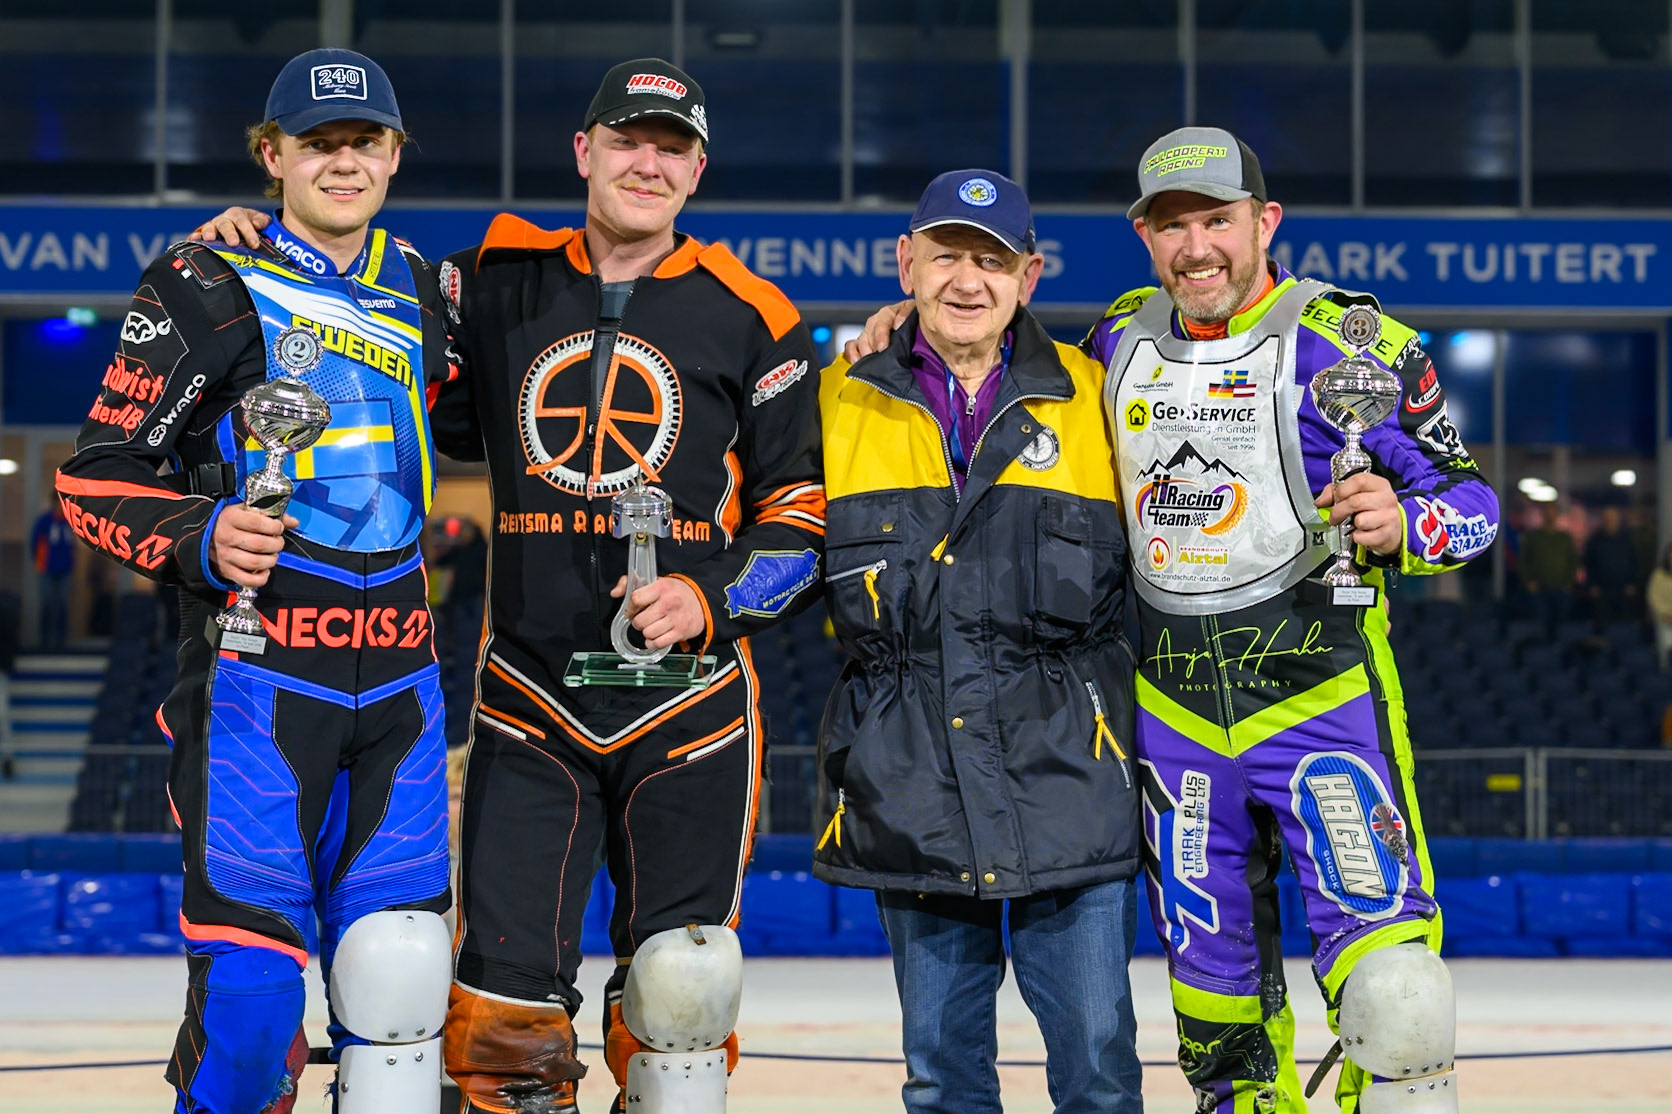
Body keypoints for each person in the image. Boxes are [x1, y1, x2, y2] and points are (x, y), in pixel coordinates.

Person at [197, 57, 827, 1114]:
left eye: (672, 149)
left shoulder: (756, 315)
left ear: (699, 169)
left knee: (686, 994)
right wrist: (255, 248)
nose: (647, 164)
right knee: (500, 1027)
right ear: (582, 152)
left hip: (692, 712)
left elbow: (803, 526)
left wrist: (707, 598)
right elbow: (346, 284)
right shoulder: (482, 279)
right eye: (626, 141)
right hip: (529, 702)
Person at [848, 127, 1498, 1114]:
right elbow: (994, 355)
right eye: (1171, 226)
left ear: (1263, 222)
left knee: (1398, 999)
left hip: (1318, 699)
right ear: (1143, 238)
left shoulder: (1352, 342)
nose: (1196, 248)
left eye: (1216, 221)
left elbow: (1475, 504)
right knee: (1218, 1027)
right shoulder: (1113, 342)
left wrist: (1408, 519)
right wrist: (902, 328)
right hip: (1169, 721)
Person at [59, 48, 462, 1114]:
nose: (343, 161)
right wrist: (202, 532)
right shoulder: (201, 281)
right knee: (247, 1006)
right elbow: (89, 478)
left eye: (364, 141)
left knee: (402, 981)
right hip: (253, 692)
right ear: (272, 155)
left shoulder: (429, 289)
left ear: (392, 155)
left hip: (402, 697)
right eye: (317, 143)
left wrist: (886, 329)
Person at [816, 170, 1143, 1113]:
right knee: (942, 1076)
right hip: (910, 784)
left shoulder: (1100, 396)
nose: (968, 279)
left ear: (1029, 275)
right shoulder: (835, 401)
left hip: (1070, 782)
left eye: (992, 259)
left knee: (1097, 1066)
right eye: (947, 254)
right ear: (905, 262)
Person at [1518, 502, 1578, 629]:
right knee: (1539, 624)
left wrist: (1569, 582)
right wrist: (1528, 581)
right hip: (1538, 590)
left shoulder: (1565, 538)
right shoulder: (1532, 537)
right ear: (1542, 514)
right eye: (1547, 512)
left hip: (1561, 589)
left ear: (1557, 515)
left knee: (1562, 624)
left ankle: (1559, 647)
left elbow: (1573, 561)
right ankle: (1542, 648)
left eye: (1553, 512)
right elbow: (1523, 561)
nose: (1550, 515)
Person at [29, 502, 75, 649]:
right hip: (47, 568)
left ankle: (61, 640)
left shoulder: (69, 521)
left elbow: (72, 546)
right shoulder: (45, 521)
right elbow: (35, 543)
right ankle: (45, 640)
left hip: (65, 568)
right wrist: (40, 562)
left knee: (62, 604)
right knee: (47, 603)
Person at [1584, 505, 1639, 624]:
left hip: (1624, 589)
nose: (1610, 520)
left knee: (1624, 623)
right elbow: (1589, 564)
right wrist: (1592, 585)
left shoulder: (1627, 539)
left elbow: (1634, 562)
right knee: (1602, 622)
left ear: (1618, 519)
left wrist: (1632, 583)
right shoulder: (1595, 540)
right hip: (1601, 590)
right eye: (1607, 517)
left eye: (1613, 517)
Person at [1648, 545, 1672, 670]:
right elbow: (1654, 598)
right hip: (1664, 622)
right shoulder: (1658, 576)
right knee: (1665, 657)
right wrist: (1666, 615)